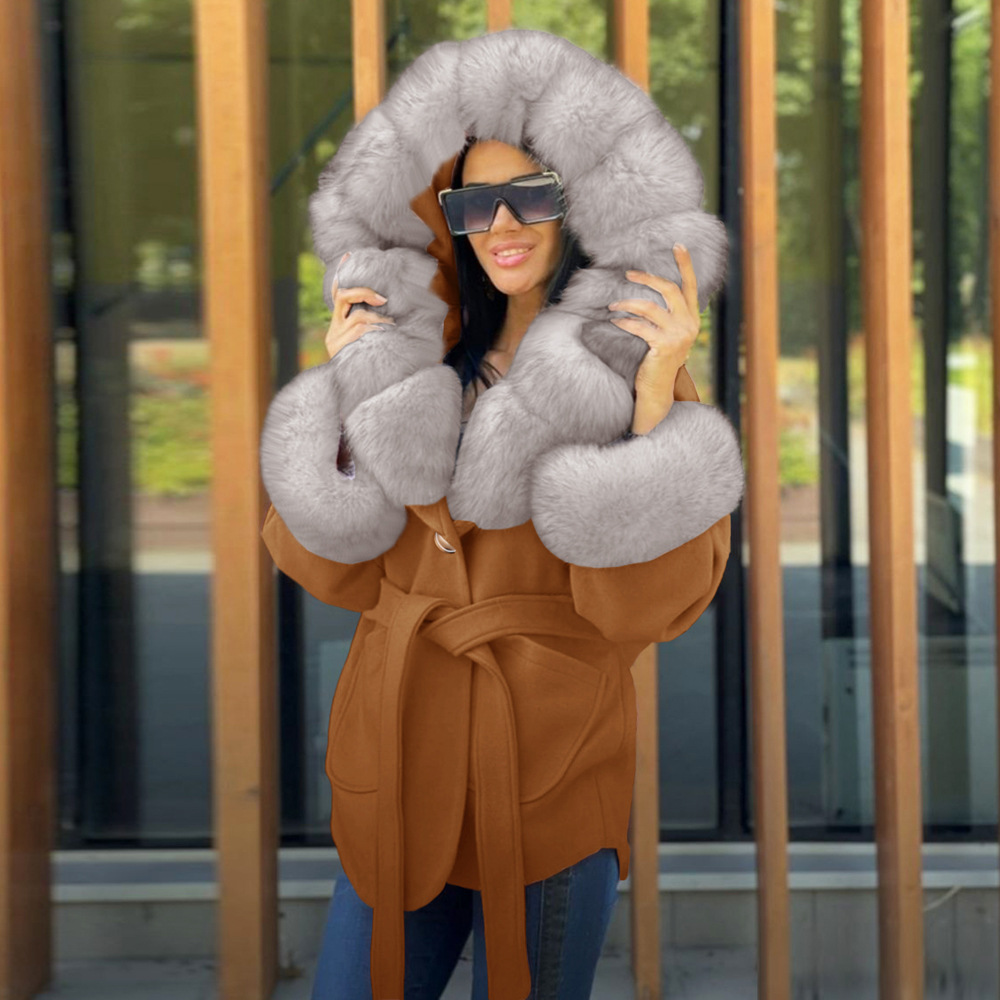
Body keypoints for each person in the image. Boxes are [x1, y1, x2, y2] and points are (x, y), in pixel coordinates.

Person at [259, 28, 746, 1000]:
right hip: (399, 761)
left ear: (581, 204)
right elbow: (336, 569)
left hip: (547, 766)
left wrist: (656, 398)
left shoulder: (634, 375)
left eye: (533, 194)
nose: (503, 224)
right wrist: (350, 394)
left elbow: (648, 609)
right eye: (475, 203)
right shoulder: (414, 363)